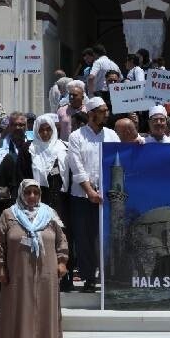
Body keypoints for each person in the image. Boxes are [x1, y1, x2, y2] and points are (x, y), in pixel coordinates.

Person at [0, 179, 69, 338]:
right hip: (17, 273)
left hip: (46, 272)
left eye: (36, 192)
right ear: (21, 194)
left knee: (45, 307)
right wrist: (0, 267)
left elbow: (61, 240)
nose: (32, 196)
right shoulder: (9, 214)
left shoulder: (49, 214)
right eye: (28, 192)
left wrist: (62, 261)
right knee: (18, 308)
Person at [66, 97, 119, 292]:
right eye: (103, 110)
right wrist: (89, 191)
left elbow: (120, 159)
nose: (107, 114)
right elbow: (77, 166)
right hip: (82, 196)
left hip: (105, 196)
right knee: (84, 238)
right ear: (91, 113)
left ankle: (107, 278)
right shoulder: (76, 137)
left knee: (104, 238)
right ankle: (88, 278)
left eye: (107, 110)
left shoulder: (112, 135)